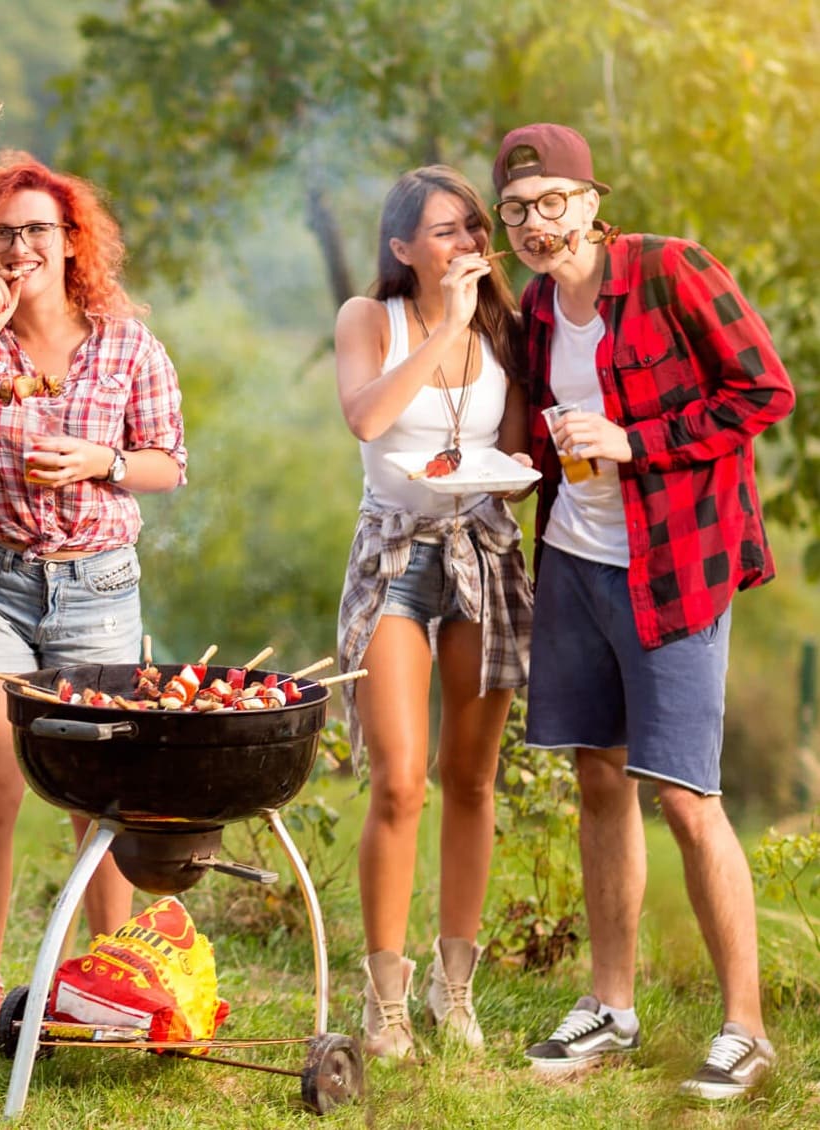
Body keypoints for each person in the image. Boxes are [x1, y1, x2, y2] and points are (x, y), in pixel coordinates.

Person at [491, 124, 794, 1099]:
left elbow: (764, 390)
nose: (536, 225)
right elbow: (546, 437)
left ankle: (745, 1028)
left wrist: (638, 439)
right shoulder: (538, 310)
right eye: (516, 212)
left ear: (590, 197)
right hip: (577, 559)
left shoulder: (670, 270)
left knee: (684, 796)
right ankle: (611, 1006)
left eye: (550, 203)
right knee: (598, 777)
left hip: (676, 567)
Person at [0, 152, 188, 1048]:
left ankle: (103, 990)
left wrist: (99, 461)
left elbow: (166, 462)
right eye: (5, 232)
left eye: (38, 229)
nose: (21, 245)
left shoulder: (125, 341)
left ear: (71, 242)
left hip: (97, 585)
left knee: (98, 798)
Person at [333, 165, 534, 1061]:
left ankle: (457, 994)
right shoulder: (368, 319)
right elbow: (367, 421)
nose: (466, 246)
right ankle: (384, 1002)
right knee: (398, 778)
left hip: (483, 551)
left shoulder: (507, 326)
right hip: (393, 558)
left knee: (472, 777)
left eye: (472, 229)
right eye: (445, 232)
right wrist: (443, 325)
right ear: (403, 247)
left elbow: (517, 452)